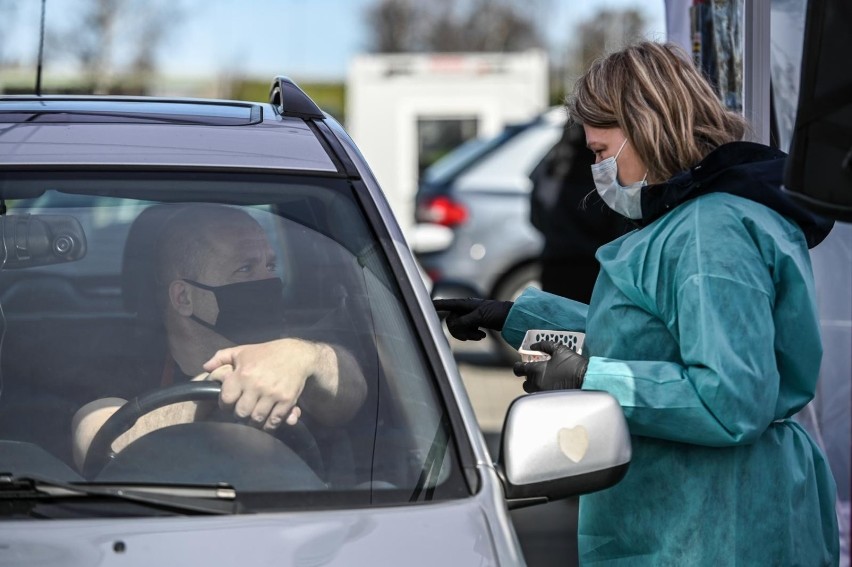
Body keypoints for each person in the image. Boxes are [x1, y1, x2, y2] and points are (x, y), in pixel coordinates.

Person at [435, 41, 839, 565]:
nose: (598, 170)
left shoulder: (709, 233)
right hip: (697, 514)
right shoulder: (698, 220)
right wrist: (519, 319)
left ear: (646, 127)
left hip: (714, 524)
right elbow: (648, 335)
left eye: (601, 153)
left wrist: (588, 378)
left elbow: (730, 399)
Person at [72, 204, 368, 471]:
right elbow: (94, 443)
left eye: (269, 266)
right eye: (245, 269)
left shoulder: (292, 355)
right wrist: (222, 383)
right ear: (184, 297)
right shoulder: (124, 368)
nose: (266, 282)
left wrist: (306, 358)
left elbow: (351, 391)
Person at [528, 121, 629, 303]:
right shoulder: (603, 168)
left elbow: (536, 213)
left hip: (555, 263)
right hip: (596, 266)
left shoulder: (553, 161)